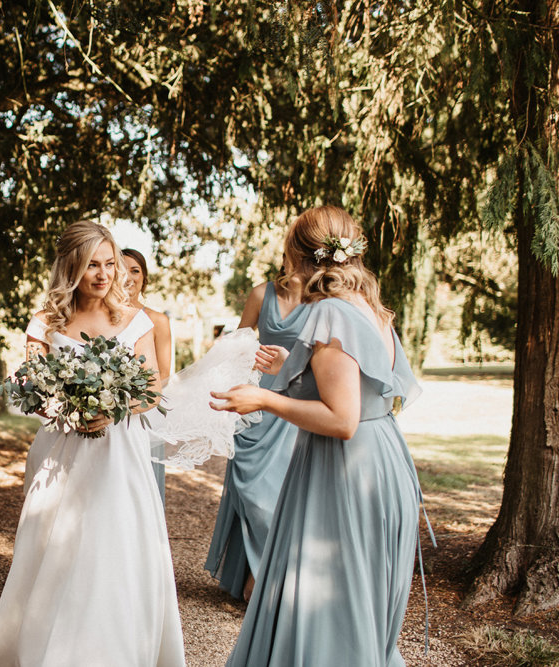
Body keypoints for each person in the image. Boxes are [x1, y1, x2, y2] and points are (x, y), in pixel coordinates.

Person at [212, 206, 423, 666]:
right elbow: (366, 388)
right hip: (382, 455)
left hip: (345, 470)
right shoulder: (370, 306)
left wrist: (265, 399)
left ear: (298, 254)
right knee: (355, 602)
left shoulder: (332, 311)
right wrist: (285, 370)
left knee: (327, 605)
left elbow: (342, 418)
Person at [0, 220, 185, 666]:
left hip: (119, 455)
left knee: (115, 549)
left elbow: (151, 390)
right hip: (60, 454)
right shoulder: (44, 322)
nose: (105, 274)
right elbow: (31, 391)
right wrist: (66, 411)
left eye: (110, 264)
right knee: (54, 550)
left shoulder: (136, 320)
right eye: (93, 264)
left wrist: (113, 409)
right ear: (71, 267)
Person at [204, 269, 308, 601]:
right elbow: (239, 343)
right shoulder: (262, 294)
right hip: (256, 403)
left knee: (279, 496)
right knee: (253, 496)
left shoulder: (323, 298)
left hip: (297, 402)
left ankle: (265, 583)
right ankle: (262, 576)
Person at [122, 248, 173, 503]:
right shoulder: (101, 317)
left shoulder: (157, 320)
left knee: (143, 485)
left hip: (145, 410)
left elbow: (164, 373)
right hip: (106, 407)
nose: (129, 277)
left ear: (144, 277)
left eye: (136, 270)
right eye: (122, 270)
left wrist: (128, 396)